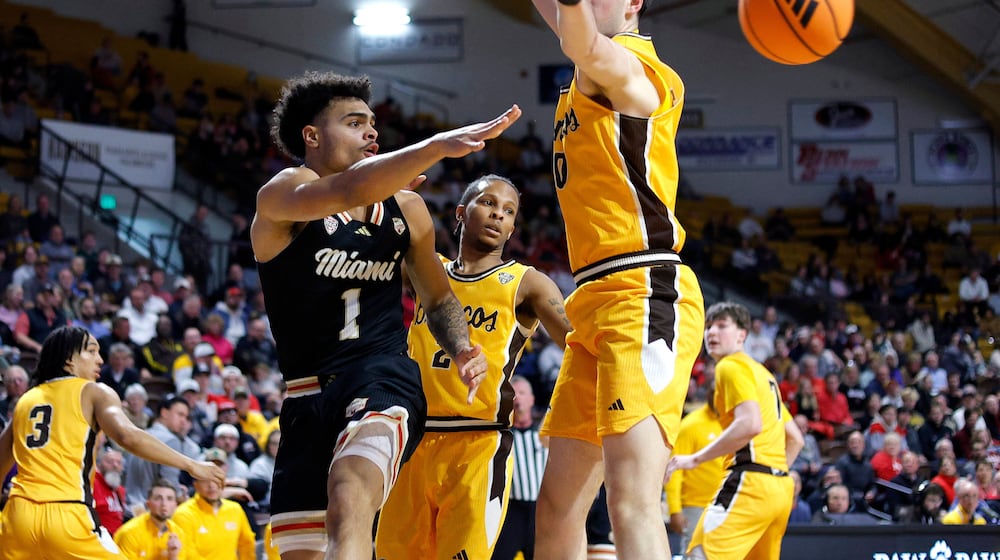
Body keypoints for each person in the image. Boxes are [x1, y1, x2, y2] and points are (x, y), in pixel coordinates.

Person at [252, 70, 516, 559]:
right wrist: (435, 144)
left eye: (373, 123)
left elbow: (436, 299)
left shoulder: (407, 209)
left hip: (380, 377)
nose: (372, 132)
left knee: (350, 489)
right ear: (312, 136)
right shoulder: (283, 195)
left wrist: (460, 347)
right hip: (305, 397)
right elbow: (347, 191)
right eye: (354, 123)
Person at [529, 2, 705, 558]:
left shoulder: (635, 71)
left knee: (631, 501)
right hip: (592, 300)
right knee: (556, 507)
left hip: (643, 290)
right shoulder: (589, 63)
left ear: (633, 3)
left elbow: (580, 41)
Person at [376, 175, 571, 559]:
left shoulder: (528, 283)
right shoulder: (426, 271)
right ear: (462, 212)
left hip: (478, 442)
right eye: (488, 203)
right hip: (412, 440)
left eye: (509, 211)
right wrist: (392, 197)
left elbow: (575, 343)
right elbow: (370, 252)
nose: (498, 214)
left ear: (514, 227)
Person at [0, 326, 225, 559]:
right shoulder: (93, 391)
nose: (100, 359)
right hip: (66, 512)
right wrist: (190, 464)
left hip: (18, 518)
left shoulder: (25, 400)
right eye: (91, 351)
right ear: (69, 359)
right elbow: (127, 435)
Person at [666, 302, 804, 560]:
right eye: (708, 327)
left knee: (700, 555)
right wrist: (772, 473)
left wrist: (695, 459)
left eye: (721, 326)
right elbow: (796, 438)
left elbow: (750, 424)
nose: (712, 333)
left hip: (748, 482)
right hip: (779, 489)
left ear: (742, 334)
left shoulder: (729, 366)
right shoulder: (764, 374)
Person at [492, 376, 547, 560]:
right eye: (513, 394)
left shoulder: (545, 435)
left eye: (522, 393)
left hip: (541, 511)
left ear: (532, 399)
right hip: (511, 512)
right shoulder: (501, 437)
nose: (517, 398)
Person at [665, 384, 725, 554]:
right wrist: (675, 509)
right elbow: (675, 468)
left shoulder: (736, 422)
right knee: (695, 554)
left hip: (727, 504)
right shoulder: (691, 424)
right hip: (695, 506)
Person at [172, 447, 256, 559]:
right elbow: (187, 553)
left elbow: (247, 545)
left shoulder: (235, 509)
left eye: (216, 479)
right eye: (205, 480)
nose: (211, 485)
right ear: (196, 484)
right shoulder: (183, 514)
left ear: (224, 481)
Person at [113, 479, 189, 560]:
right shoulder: (130, 533)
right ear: (148, 504)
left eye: (169, 499)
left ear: (175, 505)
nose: (164, 504)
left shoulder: (178, 533)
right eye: (158, 498)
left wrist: (173, 557)